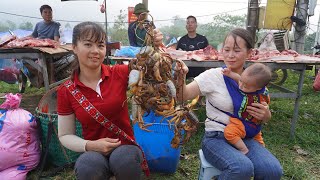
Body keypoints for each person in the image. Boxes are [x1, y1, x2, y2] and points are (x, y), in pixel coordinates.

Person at [57, 21, 163, 180]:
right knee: (87, 167)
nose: (95, 51)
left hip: (124, 146)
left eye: (100, 45)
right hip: (93, 150)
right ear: (74, 47)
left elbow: (149, 67)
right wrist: (90, 145)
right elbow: (65, 135)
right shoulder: (67, 90)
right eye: (88, 44)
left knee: (125, 161)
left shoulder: (120, 73)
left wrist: (155, 46)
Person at [176, 28, 283, 179]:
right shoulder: (213, 76)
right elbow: (182, 96)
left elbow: (261, 112)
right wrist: (181, 76)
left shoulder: (255, 79)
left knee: (272, 171)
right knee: (241, 168)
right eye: (226, 49)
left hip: (245, 136)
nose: (230, 55)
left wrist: (266, 116)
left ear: (249, 53)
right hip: (216, 138)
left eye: (237, 50)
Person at [222, 63, 272, 154]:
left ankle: (243, 149)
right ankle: (257, 149)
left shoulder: (262, 96)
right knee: (257, 139)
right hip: (252, 125)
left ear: (259, 88)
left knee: (229, 133)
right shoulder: (248, 82)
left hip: (247, 124)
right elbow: (239, 78)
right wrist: (230, 74)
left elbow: (265, 106)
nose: (240, 86)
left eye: (246, 86)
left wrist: (266, 111)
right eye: (241, 81)